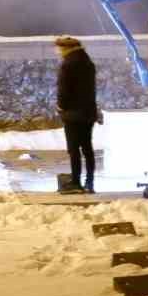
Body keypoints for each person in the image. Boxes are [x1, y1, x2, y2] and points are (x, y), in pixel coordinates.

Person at [55, 36, 101, 194]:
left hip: (73, 114)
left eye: (60, 49)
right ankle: (90, 182)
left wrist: (61, 107)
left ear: (65, 48)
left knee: (74, 149)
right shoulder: (88, 64)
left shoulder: (67, 65)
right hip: (88, 112)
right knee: (87, 148)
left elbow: (63, 91)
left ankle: (76, 182)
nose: (58, 52)